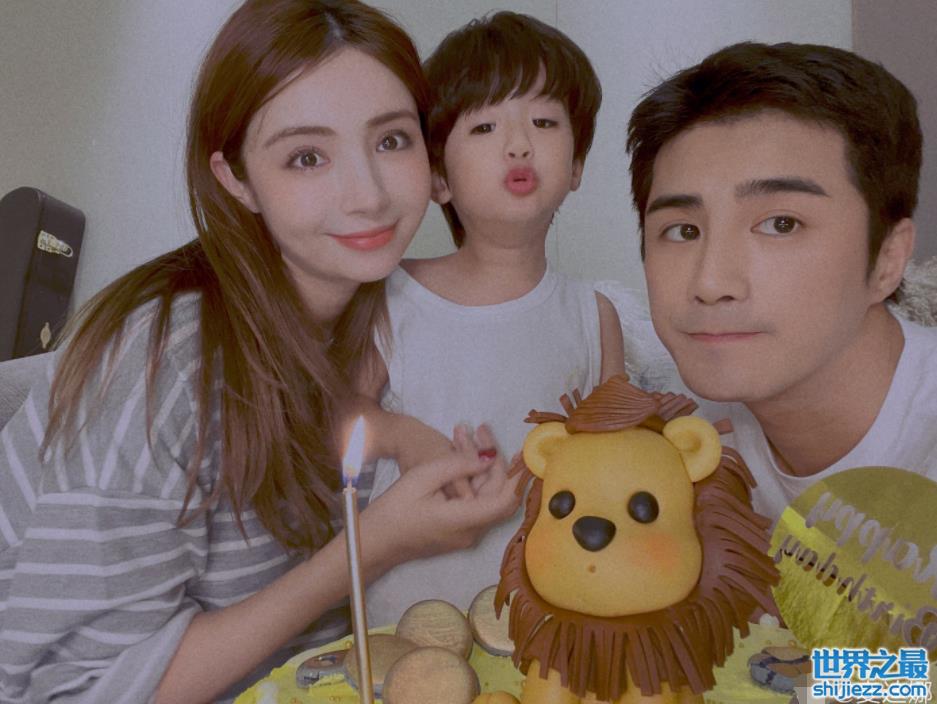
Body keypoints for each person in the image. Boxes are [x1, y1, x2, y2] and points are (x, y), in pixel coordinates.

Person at [0, 1, 522, 702]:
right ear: (236, 177)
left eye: (392, 140)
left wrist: (413, 445)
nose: (367, 195)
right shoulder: (160, 365)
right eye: (307, 157)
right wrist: (372, 545)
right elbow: (78, 690)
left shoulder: (398, 313)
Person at [363, 11, 638, 627]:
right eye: (485, 126)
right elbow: (341, 412)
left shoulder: (594, 315)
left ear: (576, 167)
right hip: (407, 612)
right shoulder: (392, 296)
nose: (518, 144)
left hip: (548, 614)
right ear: (437, 178)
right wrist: (407, 438)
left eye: (544, 122)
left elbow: (616, 458)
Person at [626, 41, 937, 523]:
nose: (710, 282)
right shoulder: (682, 442)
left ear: (888, 258)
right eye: (683, 231)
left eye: (781, 224)